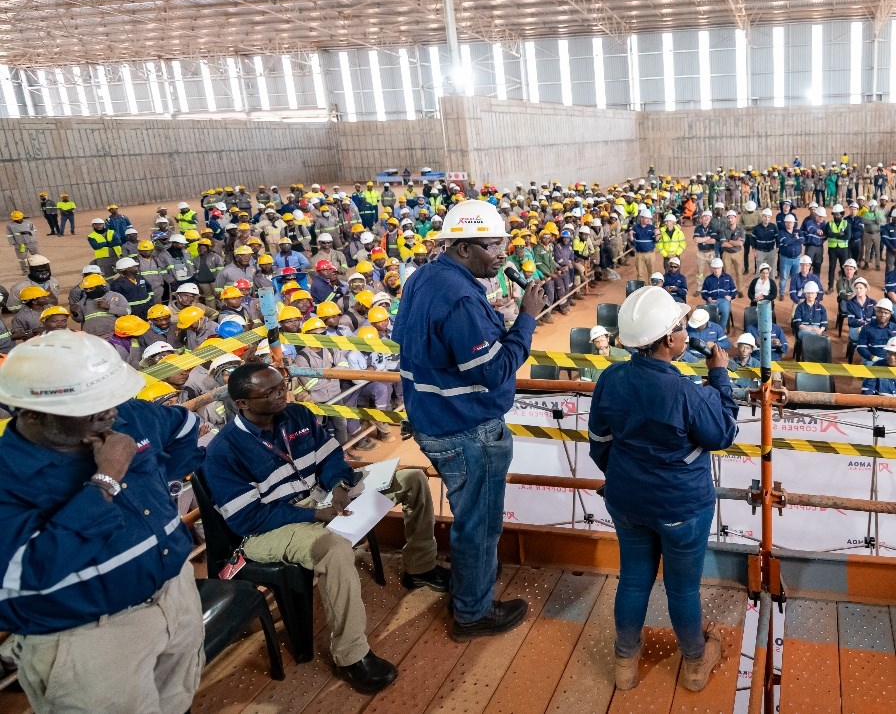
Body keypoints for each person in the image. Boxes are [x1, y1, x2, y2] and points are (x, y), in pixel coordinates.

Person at [204, 363, 448, 692]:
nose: (282, 395)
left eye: (283, 386)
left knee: (412, 479)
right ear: (243, 403)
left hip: (321, 498)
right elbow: (247, 518)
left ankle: (420, 566)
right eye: (271, 392)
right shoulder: (224, 451)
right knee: (333, 550)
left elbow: (331, 457)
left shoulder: (298, 415)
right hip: (268, 525)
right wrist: (315, 517)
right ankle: (351, 656)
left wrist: (336, 487)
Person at [0, 331, 206, 714]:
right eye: (93, 406)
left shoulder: (129, 416)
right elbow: (24, 572)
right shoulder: (9, 476)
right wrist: (107, 480)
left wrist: (161, 483)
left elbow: (184, 427)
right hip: (90, 640)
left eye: (112, 399)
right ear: (30, 413)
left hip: (175, 594)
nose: (111, 413)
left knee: (178, 699)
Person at [393, 199, 543, 640]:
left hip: (433, 420)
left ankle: (468, 585)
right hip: (466, 431)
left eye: (504, 243)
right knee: (479, 524)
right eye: (493, 244)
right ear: (461, 248)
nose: (503, 254)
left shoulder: (424, 278)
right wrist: (526, 321)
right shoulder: (459, 298)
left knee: (469, 516)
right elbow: (492, 369)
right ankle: (473, 614)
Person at [588, 286, 735, 692]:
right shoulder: (686, 391)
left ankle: (624, 664)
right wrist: (719, 376)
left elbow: (599, 444)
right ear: (669, 340)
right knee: (682, 588)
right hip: (681, 507)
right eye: (682, 327)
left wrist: (623, 476)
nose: (687, 334)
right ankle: (693, 664)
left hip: (626, 500)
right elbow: (723, 433)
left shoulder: (611, 378)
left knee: (634, 579)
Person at [700, 257, 737, 330]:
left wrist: (731, 296)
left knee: (725, 311)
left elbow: (734, 290)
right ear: (712, 268)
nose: (716, 270)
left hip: (724, 300)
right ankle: (711, 329)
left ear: (721, 268)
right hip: (712, 301)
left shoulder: (728, 277)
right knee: (709, 312)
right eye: (715, 268)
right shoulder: (708, 279)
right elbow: (703, 292)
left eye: (718, 268)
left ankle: (720, 330)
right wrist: (708, 298)